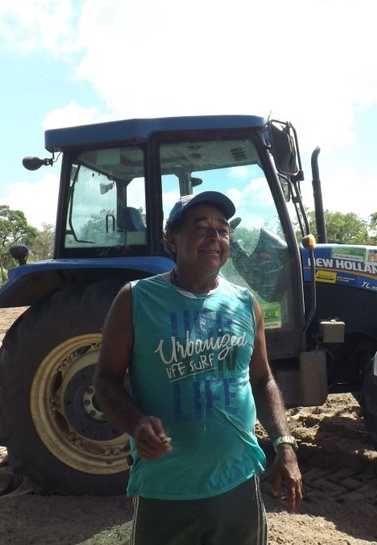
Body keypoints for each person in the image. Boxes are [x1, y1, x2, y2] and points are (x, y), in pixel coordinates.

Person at [93, 190, 302, 545]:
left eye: (222, 230)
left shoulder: (245, 303)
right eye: (201, 227)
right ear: (172, 239)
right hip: (166, 491)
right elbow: (105, 381)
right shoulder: (136, 299)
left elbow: (262, 378)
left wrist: (284, 444)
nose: (215, 237)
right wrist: (136, 422)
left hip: (237, 487)